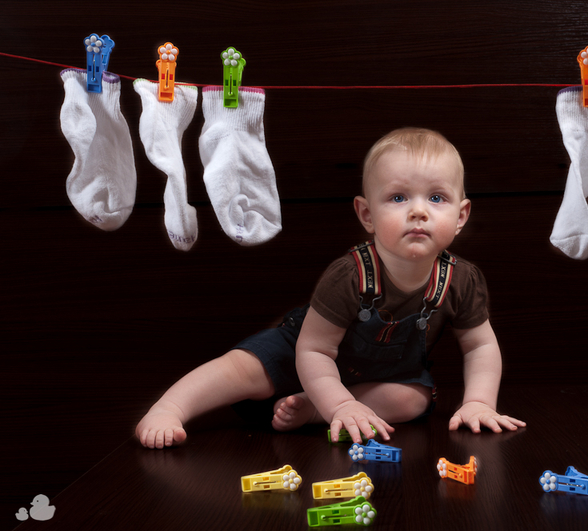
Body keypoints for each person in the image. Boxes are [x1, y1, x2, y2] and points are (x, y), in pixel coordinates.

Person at [136, 127, 526, 449]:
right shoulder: (349, 275)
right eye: (398, 197)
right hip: (303, 355)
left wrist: (479, 402)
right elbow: (314, 350)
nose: (419, 211)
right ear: (367, 215)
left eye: (437, 198)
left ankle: (313, 410)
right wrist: (339, 403)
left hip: (369, 379)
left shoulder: (461, 279)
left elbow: (479, 346)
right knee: (244, 367)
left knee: (414, 399)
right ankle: (170, 408)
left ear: (461, 216)